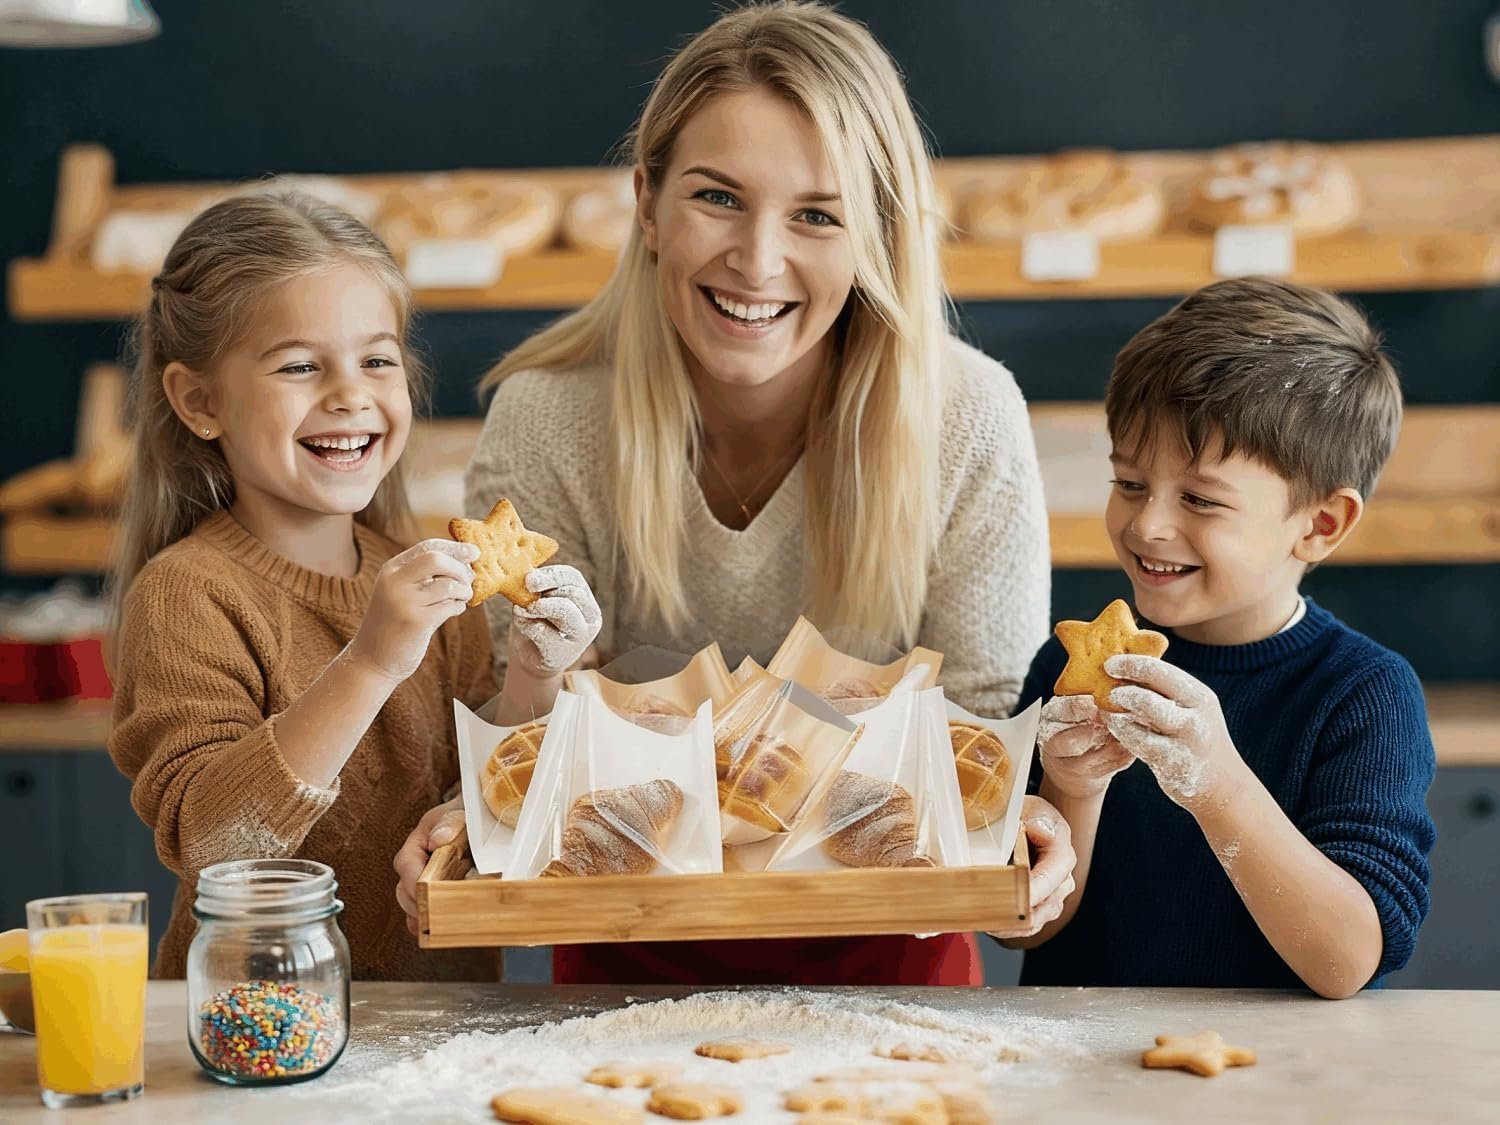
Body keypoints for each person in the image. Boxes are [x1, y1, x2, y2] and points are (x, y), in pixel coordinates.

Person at [395, 0, 1076, 985]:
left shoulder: (968, 417)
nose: (757, 261)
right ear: (647, 204)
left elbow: (974, 740)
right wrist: (477, 812)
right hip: (622, 958)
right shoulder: (546, 420)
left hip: (899, 966)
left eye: (816, 214)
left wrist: (1032, 813)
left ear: (877, 235)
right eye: (717, 197)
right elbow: (526, 731)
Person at [106, 191, 599, 980]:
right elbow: (213, 840)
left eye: (376, 359)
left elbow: (486, 807)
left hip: (440, 1023)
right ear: (199, 401)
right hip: (254, 1023)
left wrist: (537, 676)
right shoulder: (187, 595)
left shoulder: (433, 580)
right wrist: (370, 663)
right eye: (300, 365)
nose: (350, 393)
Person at [1014, 277, 1437, 998]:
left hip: (1277, 1082)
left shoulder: (1363, 694)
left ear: (1320, 523)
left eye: (1201, 499)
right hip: (1077, 1068)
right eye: (1130, 482)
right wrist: (1074, 788)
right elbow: (1021, 923)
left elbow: (1345, 962)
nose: (1148, 525)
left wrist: (1216, 784)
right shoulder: (1069, 665)